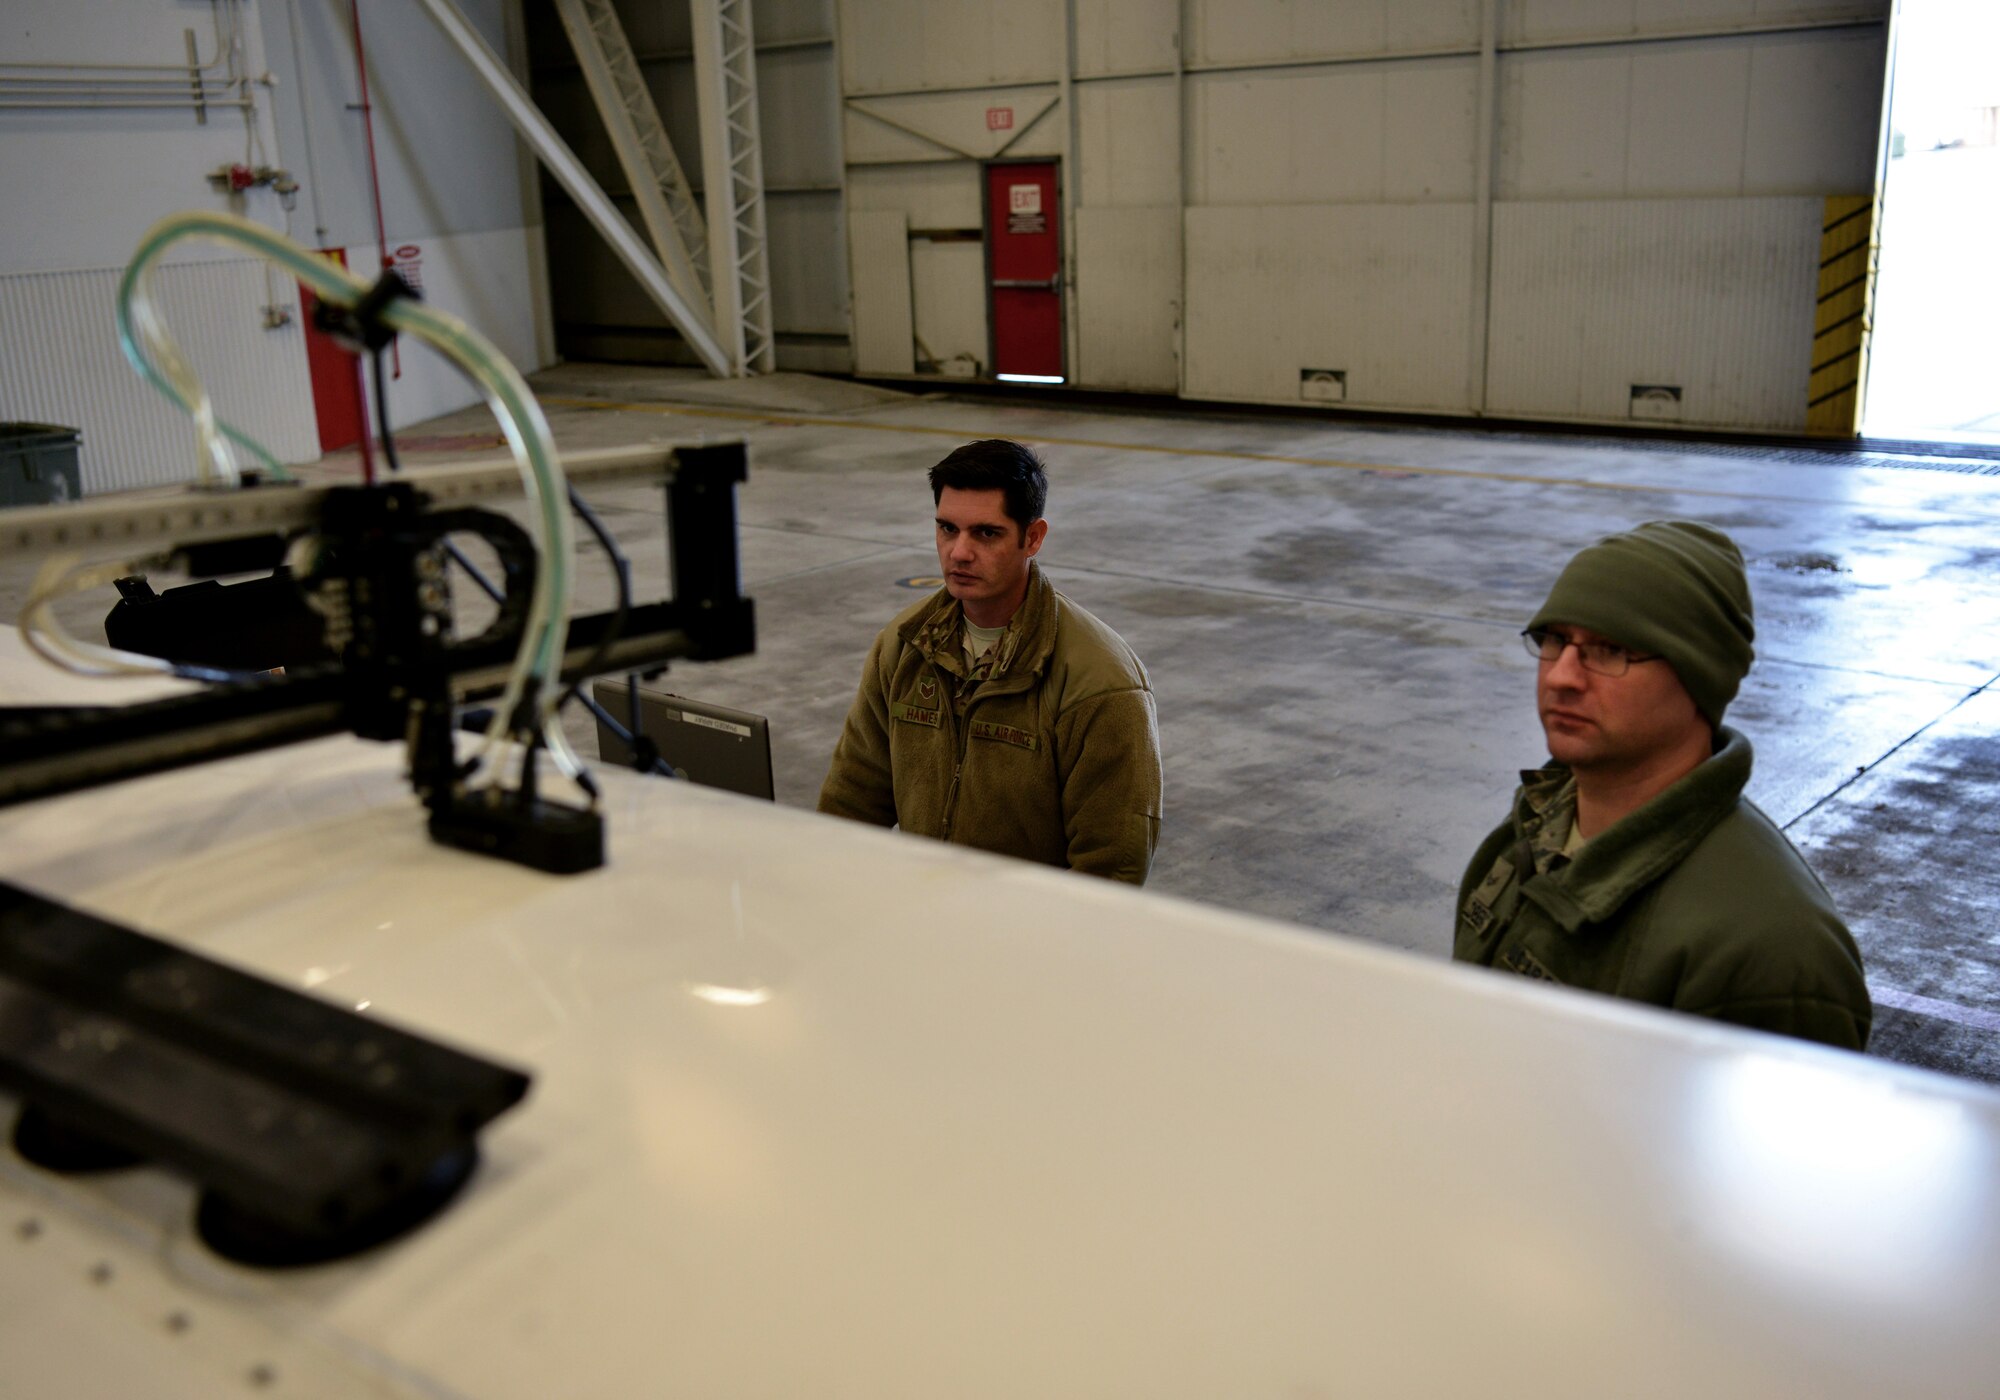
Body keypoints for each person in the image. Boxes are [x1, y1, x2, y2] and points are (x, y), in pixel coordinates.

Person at [1454, 521, 1871, 1049]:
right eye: (1555, 640)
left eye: (1609, 650)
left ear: (1699, 676)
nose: (1561, 675)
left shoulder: (1771, 948)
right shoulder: (1532, 833)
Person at [818, 439, 1161, 883]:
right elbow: (853, 799)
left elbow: (1113, 865)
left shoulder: (1100, 681)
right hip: (920, 917)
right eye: (947, 529)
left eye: (986, 533)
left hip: (1027, 937)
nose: (959, 552)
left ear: (1032, 538)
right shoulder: (903, 648)